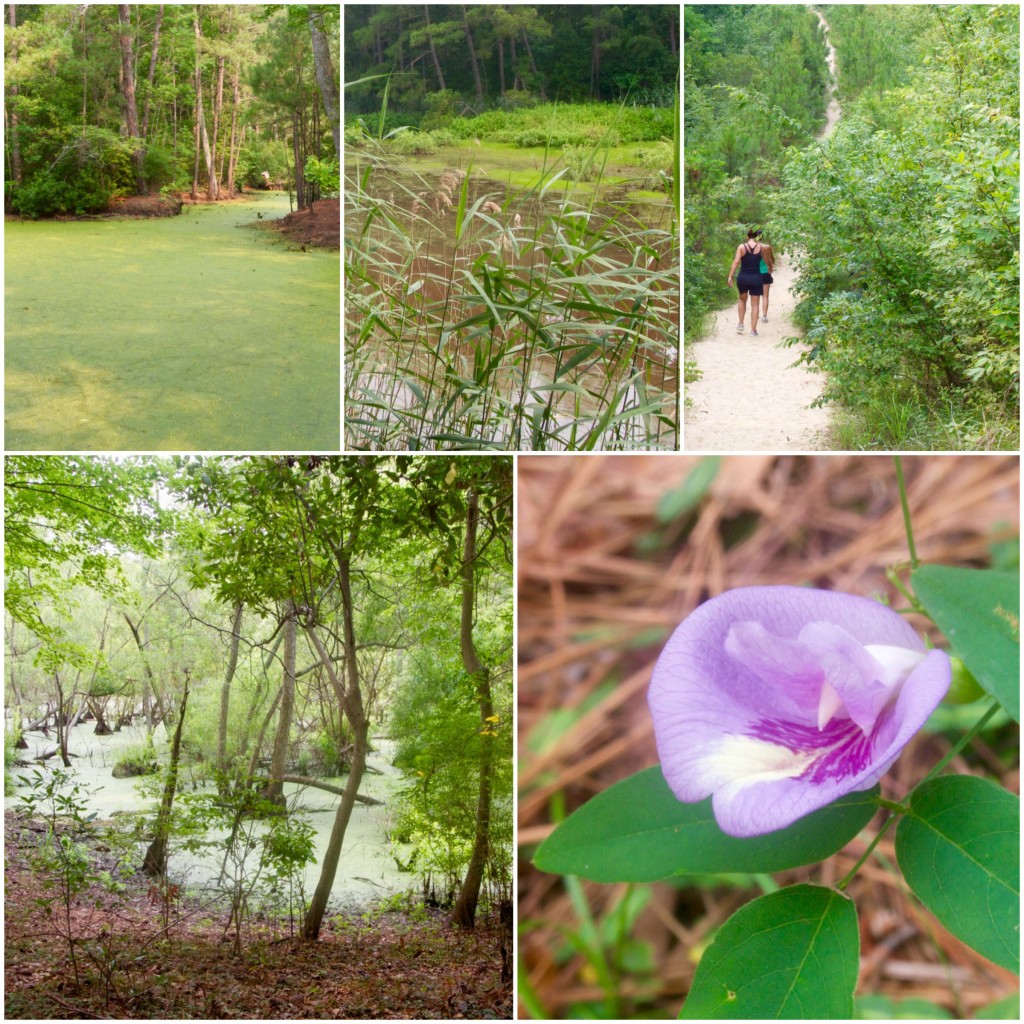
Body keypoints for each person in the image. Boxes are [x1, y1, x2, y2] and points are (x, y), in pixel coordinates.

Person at [727, 229, 772, 336]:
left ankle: (741, 324)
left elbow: (736, 261)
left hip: (743, 277)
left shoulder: (741, 247)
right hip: (756, 278)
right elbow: (767, 262)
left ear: (747, 236)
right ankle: (753, 330)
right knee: (755, 305)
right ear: (756, 236)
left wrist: (730, 275)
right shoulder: (762, 248)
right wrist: (770, 268)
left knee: (742, 300)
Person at [758, 233, 775, 322]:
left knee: (755, 295)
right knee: (765, 296)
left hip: (754, 273)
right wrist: (770, 266)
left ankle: (755, 313)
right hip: (765, 272)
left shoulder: (749, 247)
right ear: (762, 236)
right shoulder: (767, 247)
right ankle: (764, 316)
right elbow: (772, 260)